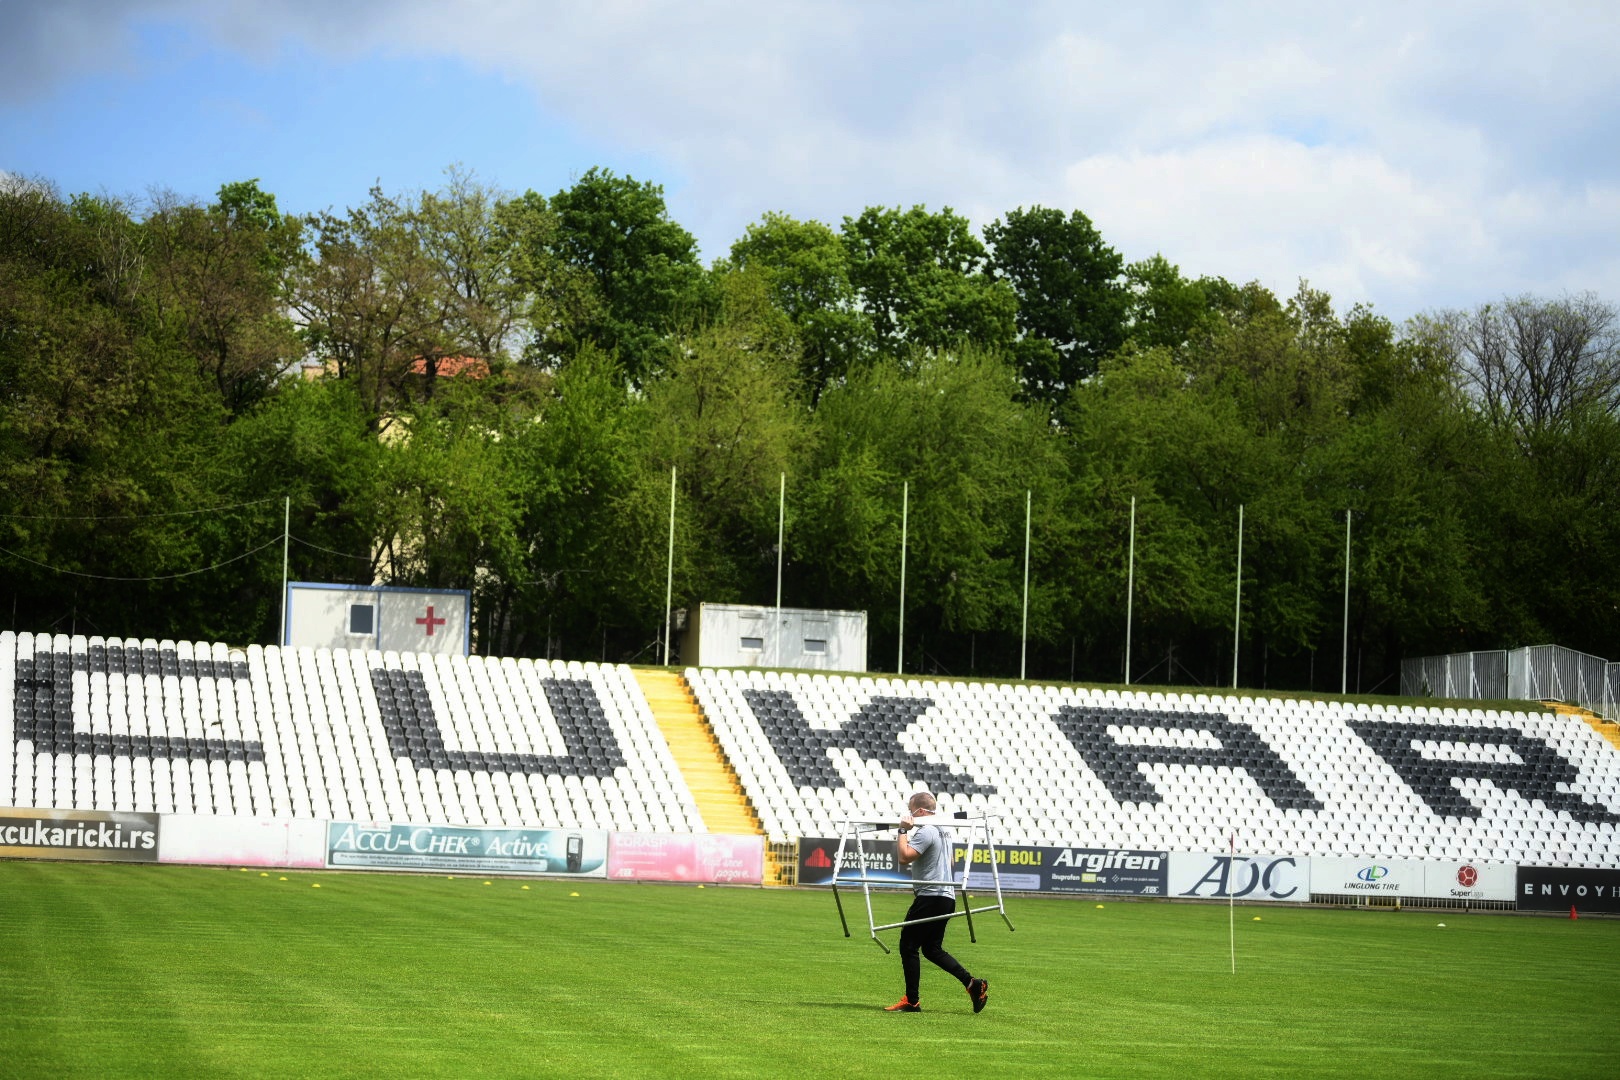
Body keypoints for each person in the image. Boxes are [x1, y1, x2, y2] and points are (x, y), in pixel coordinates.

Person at [884, 791, 989, 1013]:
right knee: (931, 949)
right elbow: (950, 860)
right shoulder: (944, 831)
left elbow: (904, 857)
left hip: (930, 896)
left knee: (908, 946)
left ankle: (912, 1001)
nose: (909, 814)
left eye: (911, 810)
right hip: (946, 897)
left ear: (920, 811)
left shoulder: (927, 830)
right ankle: (972, 984)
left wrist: (903, 830)